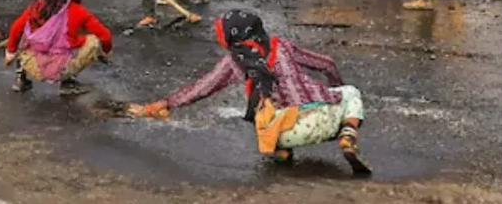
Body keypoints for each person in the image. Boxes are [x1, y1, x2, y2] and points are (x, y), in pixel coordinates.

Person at [129, 11, 372, 175]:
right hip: (326, 120)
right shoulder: (282, 45)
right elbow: (327, 64)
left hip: (283, 131)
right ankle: (347, 135)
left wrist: (166, 103)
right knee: (350, 92)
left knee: (262, 109)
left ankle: (282, 151)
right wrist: (333, 92)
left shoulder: (235, 61)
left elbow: (203, 88)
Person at [5, 0, 113, 96]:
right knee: (93, 41)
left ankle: (21, 79)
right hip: (61, 68)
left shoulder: (37, 6)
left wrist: (10, 53)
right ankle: (68, 83)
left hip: (33, 65)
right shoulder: (79, 11)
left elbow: (15, 28)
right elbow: (105, 36)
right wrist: (105, 52)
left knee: (25, 35)